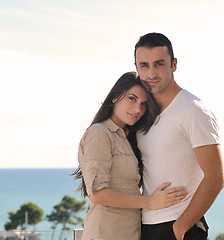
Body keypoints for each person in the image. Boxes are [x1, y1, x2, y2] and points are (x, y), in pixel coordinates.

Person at [72, 72, 188, 240]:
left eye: (144, 104)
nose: (138, 109)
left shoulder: (127, 138)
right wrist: (150, 202)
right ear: (115, 97)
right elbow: (98, 195)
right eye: (132, 99)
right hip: (104, 234)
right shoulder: (99, 133)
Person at [134, 32, 224, 240]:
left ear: (174, 64)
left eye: (159, 64)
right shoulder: (142, 112)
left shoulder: (193, 110)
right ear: (137, 68)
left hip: (180, 225)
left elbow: (216, 176)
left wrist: (181, 227)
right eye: (144, 65)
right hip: (146, 225)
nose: (151, 73)